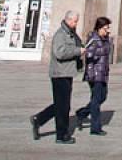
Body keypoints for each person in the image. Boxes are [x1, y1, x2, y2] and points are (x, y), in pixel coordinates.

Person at [30, 10, 84, 144]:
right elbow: (59, 53)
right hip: (59, 74)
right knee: (63, 106)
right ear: (68, 20)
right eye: (75, 21)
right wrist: (77, 51)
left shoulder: (70, 33)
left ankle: (39, 119)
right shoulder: (61, 34)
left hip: (66, 73)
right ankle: (61, 135)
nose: (76, 23)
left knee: (62, 105)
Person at [75, 17, 112, 136]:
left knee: (103, 97)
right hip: (94, 74)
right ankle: (95, 128)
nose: (108, 30)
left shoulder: (105, 39)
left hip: (103, 73)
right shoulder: (94, 39)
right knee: (96, 100)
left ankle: (82, 113)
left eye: (108, 28)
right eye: (106, 28)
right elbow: (88, 54)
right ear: (99, 28)